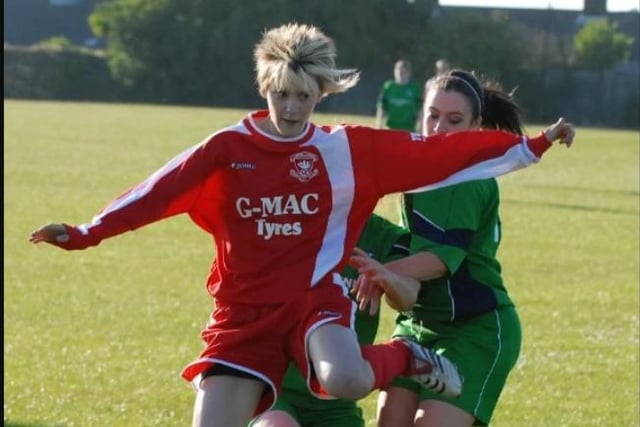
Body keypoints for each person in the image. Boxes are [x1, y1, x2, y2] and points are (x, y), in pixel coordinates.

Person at [29, 22, 575, 427]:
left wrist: (532, 144)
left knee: (347, 380)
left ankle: (409, 355)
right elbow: (157, 191)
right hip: (243, 316)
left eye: (304, 97)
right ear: (264, 87)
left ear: (321, 95)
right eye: (280, 94)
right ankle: (407, 355)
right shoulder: (229, 147)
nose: (291, 109)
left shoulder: (343, 150)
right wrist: (85, 232)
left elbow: (438, 156)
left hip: (314, 304)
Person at [351, 69, 570, 427]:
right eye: (432, 116)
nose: (439, 129)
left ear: (475, 125)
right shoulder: (421, 161)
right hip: (420, 323)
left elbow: (439, 260)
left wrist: (382, 273)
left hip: (475, 329)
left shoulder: (466, 179)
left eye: (454, 120)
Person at [249, 213, 418, 427]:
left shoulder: (386, 237)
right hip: (272, 388)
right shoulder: (290, 221)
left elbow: (409, 298)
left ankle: (404, 356)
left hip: (335, 400)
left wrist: (388, 277)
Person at [376, 59, 423, 132]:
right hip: (391, 130)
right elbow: (381, 107)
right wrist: (379, 125)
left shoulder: (415, 88)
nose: (400, 74)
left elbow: (420, 109)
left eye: (403, 72)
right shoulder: (388, 87)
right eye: (398, 72)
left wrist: (421, 127)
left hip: (409, 130)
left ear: (409, 73)